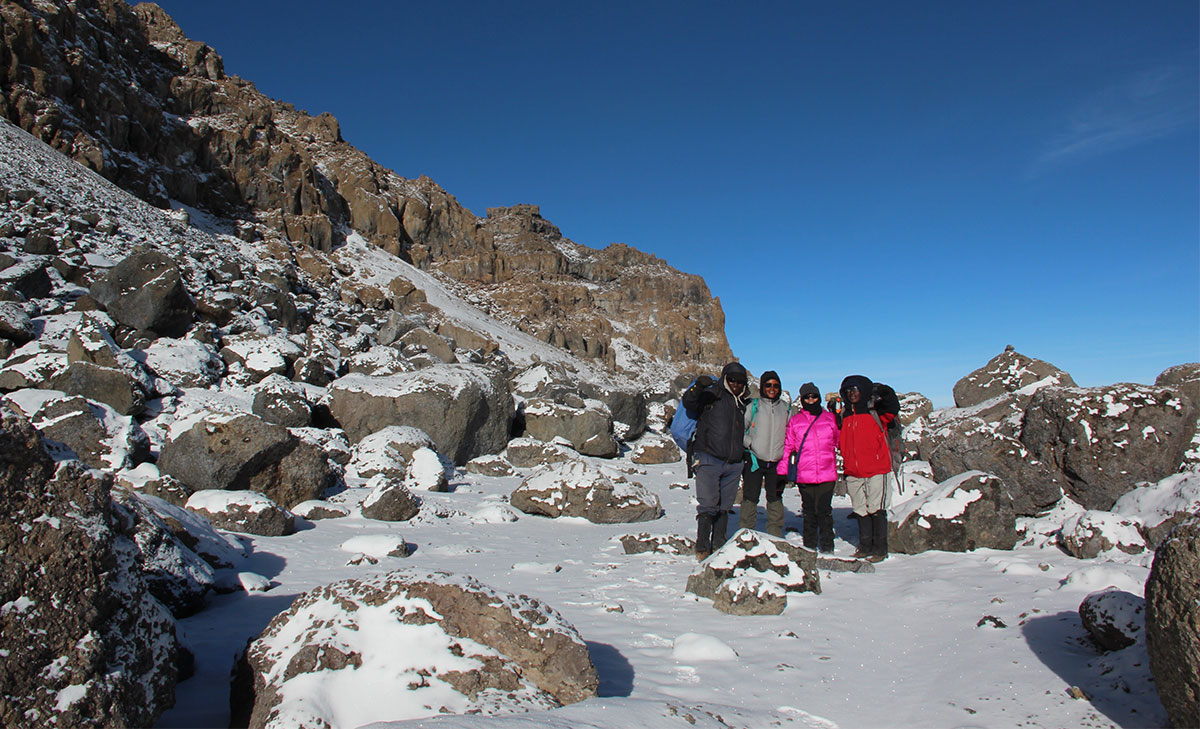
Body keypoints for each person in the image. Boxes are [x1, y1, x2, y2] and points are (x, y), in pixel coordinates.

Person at [682, 361, 749, 560]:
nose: (736, 384)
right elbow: (690, 402)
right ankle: (702, 547)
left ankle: (719, 545)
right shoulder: (713, 393)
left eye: (740, 381)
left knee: (725, 506)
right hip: (709, 458)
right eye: (732, 379)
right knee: (708, 505)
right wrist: (698, 387)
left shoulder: (744, 401)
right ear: (725, 378)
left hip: (734, 463)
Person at [832, 374, 896, 562]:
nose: (852, 393)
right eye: (848, 390)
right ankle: (865, 546)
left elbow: (893, 407)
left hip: (877, 468)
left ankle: (880, 549)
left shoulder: (875, 412)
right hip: (853, 471)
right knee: (860, 509)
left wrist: (884, 390)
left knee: (876, 508)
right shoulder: (844, 415)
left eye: (856, 389)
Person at [778, 382, 839, 552]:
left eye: (814, 396)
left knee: (825, 511)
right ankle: (810, 546)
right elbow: (788, 446)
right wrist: (782, 471)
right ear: (803, 399)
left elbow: (839, 441)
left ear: (819, 398)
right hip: (805, 475)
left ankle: (827, 546)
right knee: (809, 511)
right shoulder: (796, 421)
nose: (811, 400)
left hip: (827, 473)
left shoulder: (829, 418)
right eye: (807, 397)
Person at [739, 371, 789, 536]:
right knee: (750, 497)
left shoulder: (785, 408)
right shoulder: (754, 406)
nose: (772, 388)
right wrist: (749, 443)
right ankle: (746, 533)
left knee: (775, 497)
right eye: (768, 385)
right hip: (755, 459)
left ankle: (775, 535)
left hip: (777, 461)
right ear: (762, 387)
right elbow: (741, 429)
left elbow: (791, 433)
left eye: (775, 385)